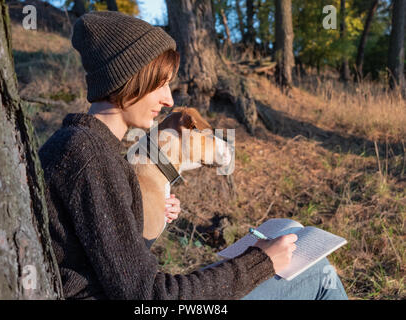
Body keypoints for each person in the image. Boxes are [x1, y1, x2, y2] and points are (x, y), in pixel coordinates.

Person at [38, 11, 348, 300]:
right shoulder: (87, 153)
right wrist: (260, 262)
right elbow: (149, 295)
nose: (169, 99)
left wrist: (144, 221)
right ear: (128, 78)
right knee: (321, 274)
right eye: (160, 84)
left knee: (299, 246)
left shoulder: (87, 147)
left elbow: (114, 266)